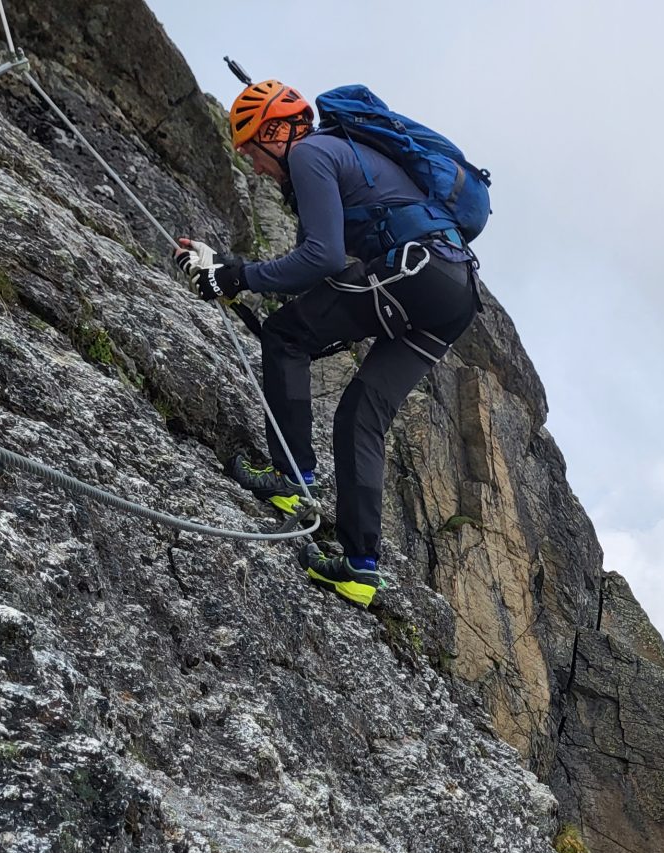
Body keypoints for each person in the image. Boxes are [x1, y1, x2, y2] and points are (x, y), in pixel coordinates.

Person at [174, 80, 481, 608]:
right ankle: (360, 571)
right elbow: (319, 275)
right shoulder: (341, 157)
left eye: (251, 147)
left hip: (414, 271)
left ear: (277, 132)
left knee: (285, 335)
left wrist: (236, 275)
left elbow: (319, 259)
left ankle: (290, 480)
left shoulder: (313, 152)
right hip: (454, 294)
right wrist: (229, 276)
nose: (251, 164)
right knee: (362, 413)